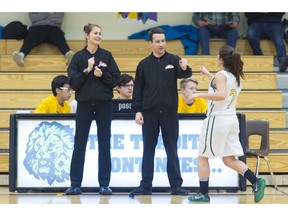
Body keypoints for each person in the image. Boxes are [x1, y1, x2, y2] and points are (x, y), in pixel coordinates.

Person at [187, 45, 266, 203]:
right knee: (229, 159)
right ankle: (256, 181)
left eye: (217, 56)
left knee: (202, 157)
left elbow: (221, 94)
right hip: (231, 119)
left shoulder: (221, 75)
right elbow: (221, 86)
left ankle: (203, 194)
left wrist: (198, 94)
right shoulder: (234, 76)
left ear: (221, 60)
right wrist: (208, 74)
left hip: (218, 119)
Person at [130, 27, 192, 196]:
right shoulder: (143, 64)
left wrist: (185, 67)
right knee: (148, 150)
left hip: (170, 112)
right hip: (149, 113)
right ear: (150, 43)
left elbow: (185, 74)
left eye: (163, 41)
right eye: (157, 41)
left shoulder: (174, 59)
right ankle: (145, 186)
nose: (161, 44)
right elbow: (138, 90)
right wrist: (138, 111)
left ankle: (176, 186)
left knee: (171, 149)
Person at [65, 23, 120, 195]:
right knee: (79, 144)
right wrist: (87, 70)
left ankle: (104, 184)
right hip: (84, 105)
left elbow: (116, 80)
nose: (98, 36)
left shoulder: (107, 55)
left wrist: (102, 74)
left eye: (100, 33)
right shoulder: (78, 57)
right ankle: (75, 185)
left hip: (104, 105)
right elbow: (73, 83)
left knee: (105, 144)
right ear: (86, 35)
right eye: (95, 33)